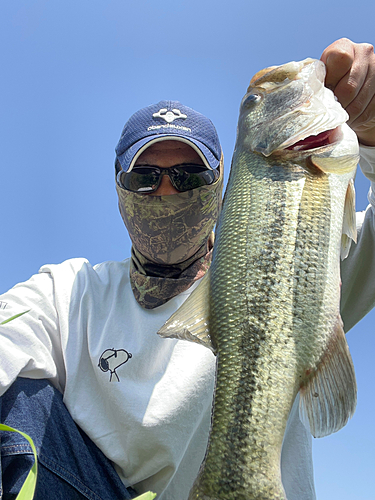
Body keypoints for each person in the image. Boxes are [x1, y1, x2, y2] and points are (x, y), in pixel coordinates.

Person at [0, 37, 375, 500]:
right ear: (118, 189)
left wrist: (374, 135)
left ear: (221, 188)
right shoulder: (66, 293)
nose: (166, 192)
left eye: (188, 176)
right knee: (15, 402)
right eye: (143, 177)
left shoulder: (304, 253)